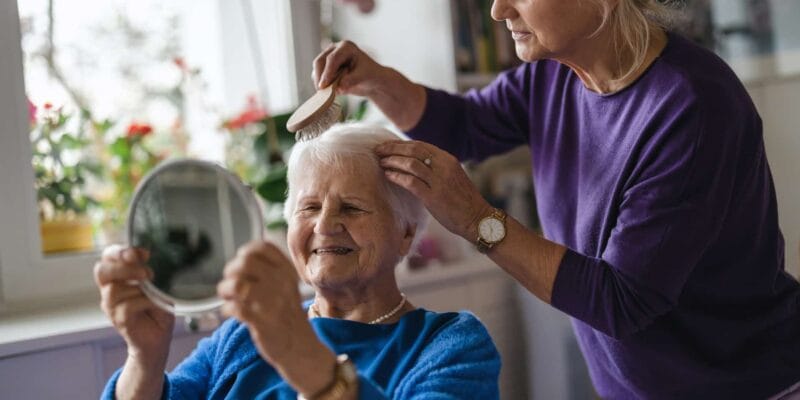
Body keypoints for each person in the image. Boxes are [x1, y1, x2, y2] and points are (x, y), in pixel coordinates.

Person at [312, 1, 800, 399]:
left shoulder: (692, 106)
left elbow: (622, 302)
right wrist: (376, 79)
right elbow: (464, 126)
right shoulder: (554, 75)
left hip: (749, 386)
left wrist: (474, 217)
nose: (499, 10)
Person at [94, 123, 501, 399]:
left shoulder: (450, 344)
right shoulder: (240, 336)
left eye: (352, 207)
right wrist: (144, 359)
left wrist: (296, 351)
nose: (325, 226)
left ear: (406, 232)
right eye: (308, 208)